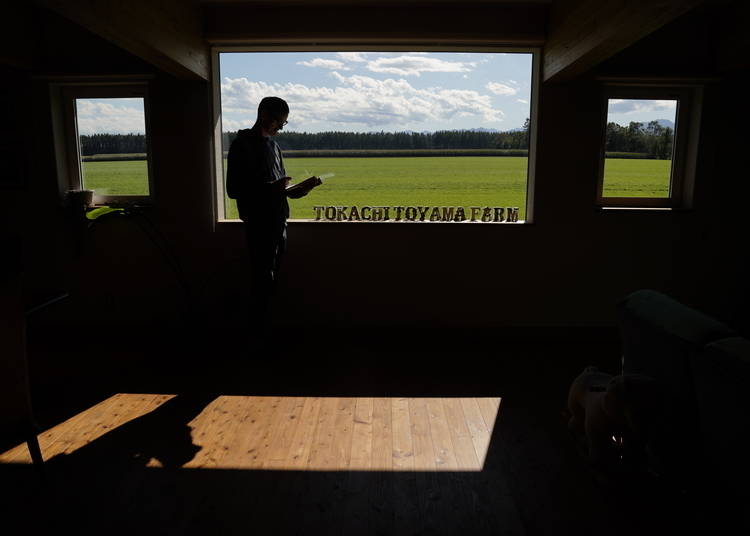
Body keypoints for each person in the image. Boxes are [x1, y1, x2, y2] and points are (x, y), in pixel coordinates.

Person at [225, 96, 321, 350]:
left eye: (283, 123)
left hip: (279, 221)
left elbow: (279, 189)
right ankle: (257, 338)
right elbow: (234, 189)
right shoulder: (241, 146)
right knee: (261, 280)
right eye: (280, 121)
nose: (280, 127)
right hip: (259, 223)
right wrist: (272, 188)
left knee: (271, 279)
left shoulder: (274, 147)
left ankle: (263, 334)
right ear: (264, 115)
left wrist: (300, 189)